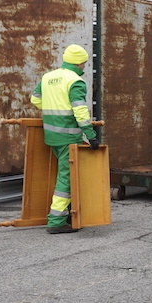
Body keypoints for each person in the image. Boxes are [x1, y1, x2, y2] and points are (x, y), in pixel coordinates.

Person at [29, 44, 98, 234]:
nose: (84, 66)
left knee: (64, 174)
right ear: (79, 63)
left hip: (52, 135)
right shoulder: (75, 81)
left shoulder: (48, 77)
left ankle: (68, 213)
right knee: (66, 178)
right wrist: (91, 135)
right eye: (84, 63)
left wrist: (52, 109)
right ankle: (56, 221)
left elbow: (35, 99)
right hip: (68, 136)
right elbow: (80, 111)